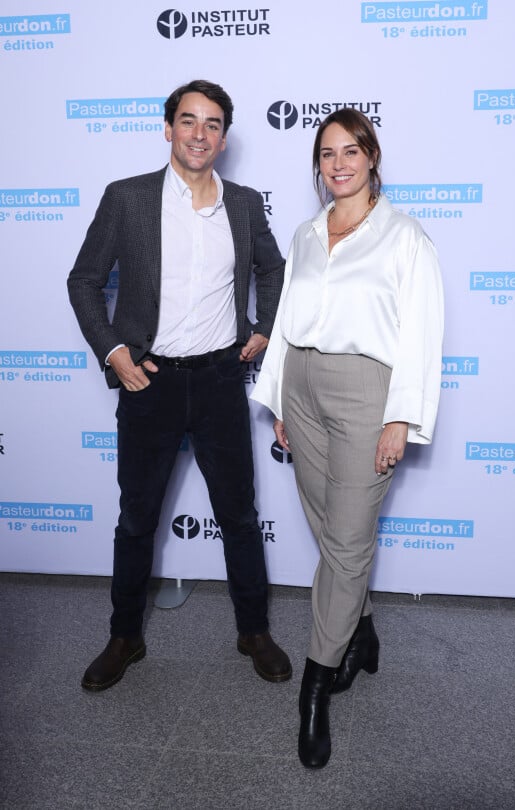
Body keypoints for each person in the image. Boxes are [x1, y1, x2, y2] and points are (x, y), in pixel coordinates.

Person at [68, 79, 291, 692]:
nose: (200, 133)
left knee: (239, 516)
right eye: (188, 121)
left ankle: (253, 630)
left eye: (213, 123)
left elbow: (273, 270)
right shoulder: (128, 198)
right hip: (150, 383)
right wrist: (115, 352)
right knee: (137, 517)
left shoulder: (243, 204)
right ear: (168, 129)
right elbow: (84, 279)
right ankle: (124, 637)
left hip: (221, 378)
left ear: (224, 136)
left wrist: (264, 328)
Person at [251, 109, 444, 767]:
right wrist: (278, 393)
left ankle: (315, 689)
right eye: (327, 153)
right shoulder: (307, 234)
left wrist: (401, 416)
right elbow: (285, 322)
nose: (338, 163)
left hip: (368, 393)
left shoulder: (405, 237)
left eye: (351, 151)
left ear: (372, 157)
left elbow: (421, 333)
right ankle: (361, 634)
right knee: (328, 528)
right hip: (301, 383)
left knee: (346, 541)